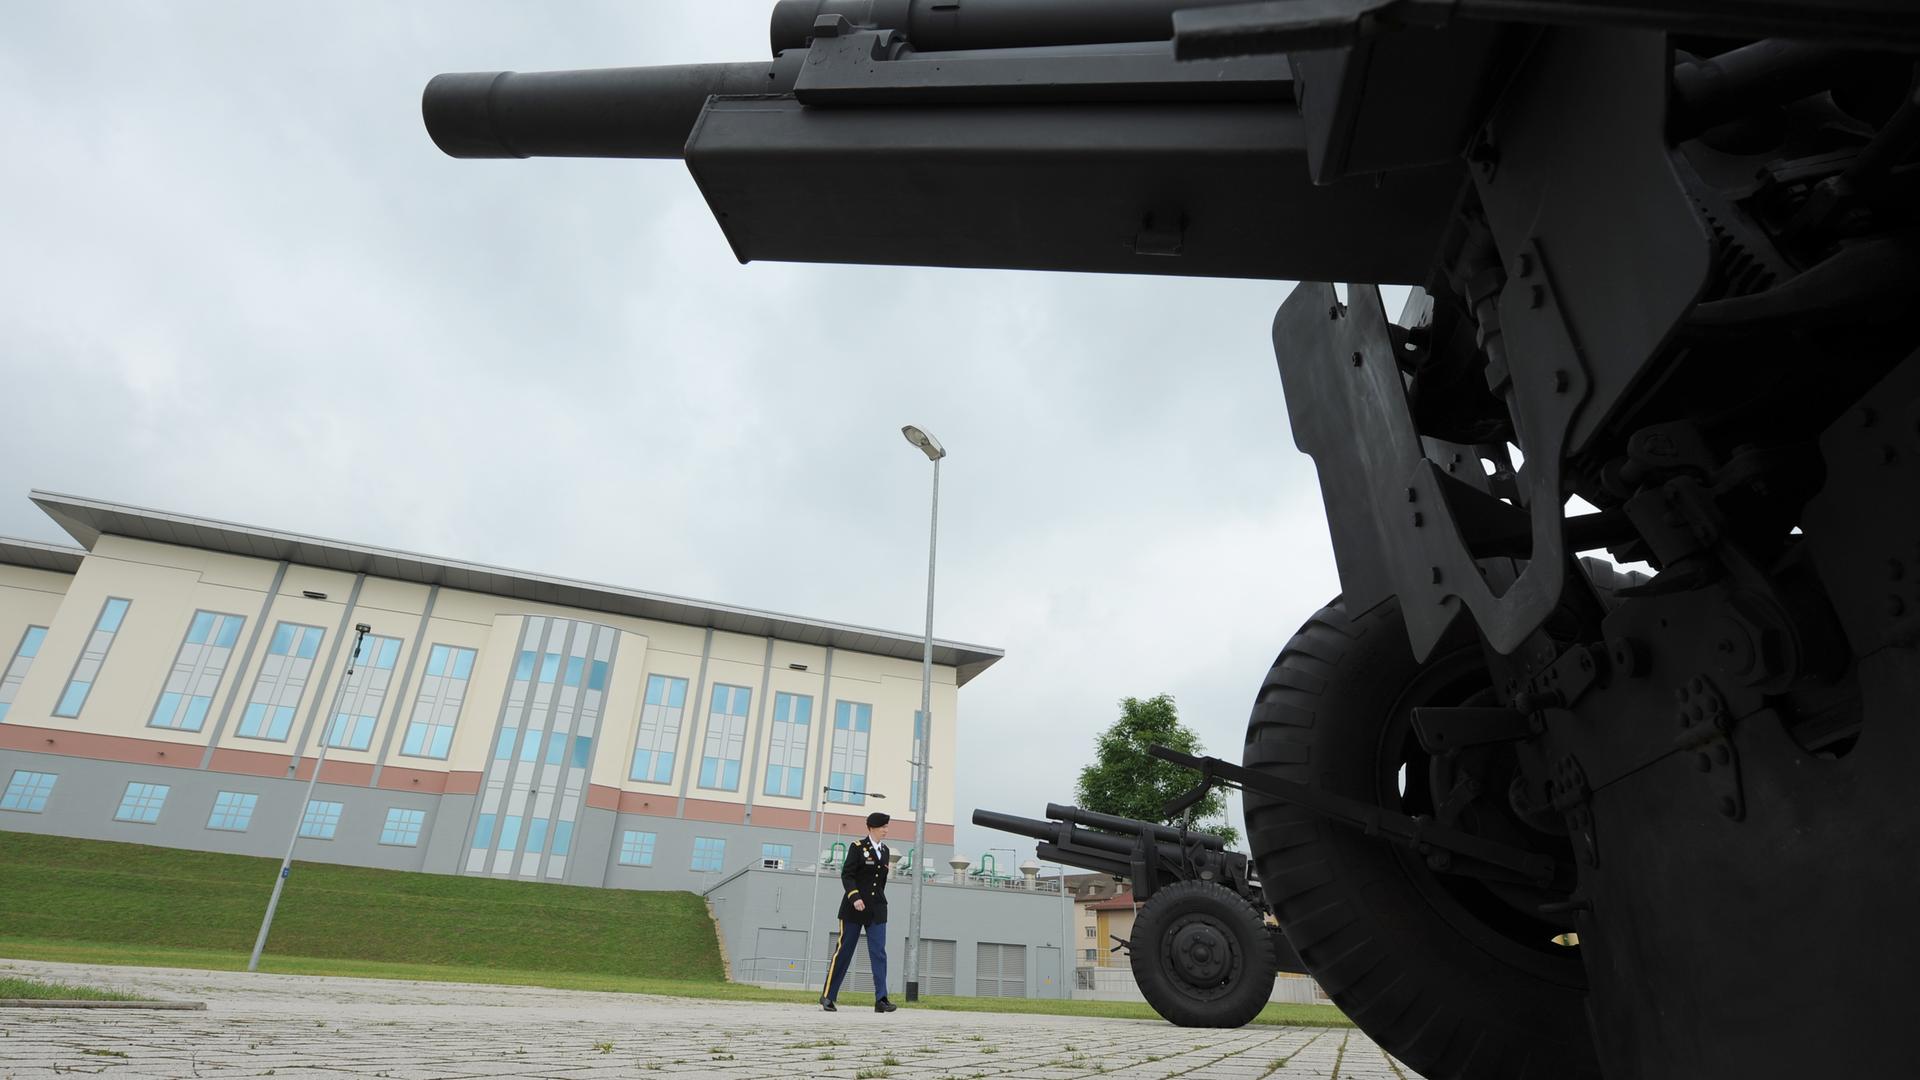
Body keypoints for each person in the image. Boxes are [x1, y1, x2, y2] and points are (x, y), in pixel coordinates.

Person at [821, 810, 896, 1013]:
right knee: (844, 951)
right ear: (871, 828)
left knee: (879, 953)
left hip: (877, 909)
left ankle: (881, 999)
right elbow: (847, 875)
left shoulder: (886, 851)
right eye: (883, 827)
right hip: (854, 908)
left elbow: (880, 882)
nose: (886, 830)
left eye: (887, 827)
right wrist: (855, 897)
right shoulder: (857, 847)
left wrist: (875, 901)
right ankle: (828, 996)